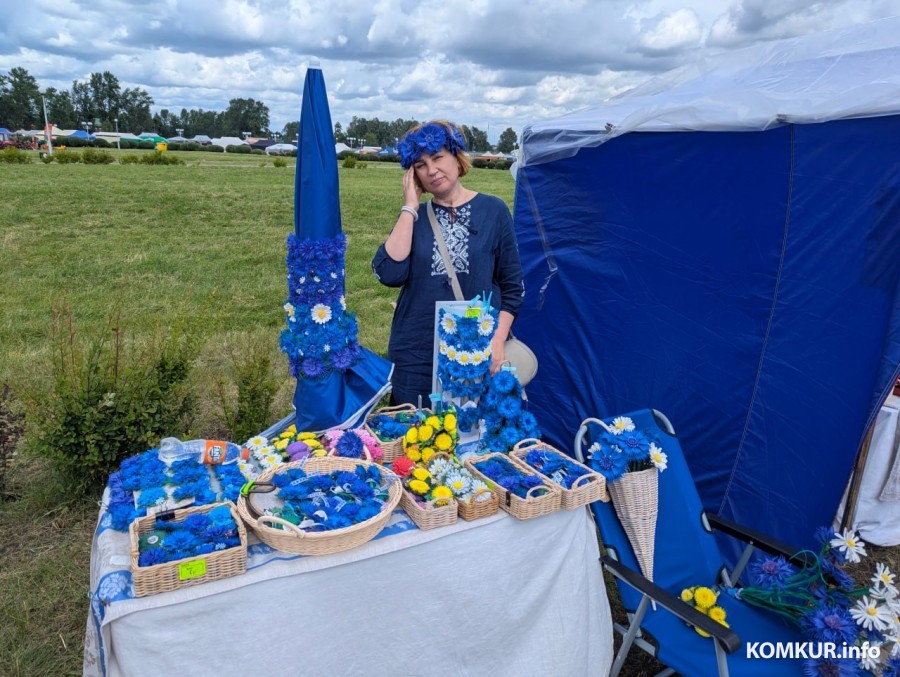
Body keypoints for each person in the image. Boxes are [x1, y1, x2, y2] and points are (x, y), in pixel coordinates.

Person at [372, 120, 524, 406]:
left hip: (476, 352)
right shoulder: (414, 218)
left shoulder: (494, 211)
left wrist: (497, 340)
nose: (432, 170)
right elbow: (389, 273)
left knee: (471, 442)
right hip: (416, 354)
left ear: (457, 156)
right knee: (416, 441)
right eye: (420, 164)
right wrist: (409, 208)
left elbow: (513, 288)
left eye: (438, 157)